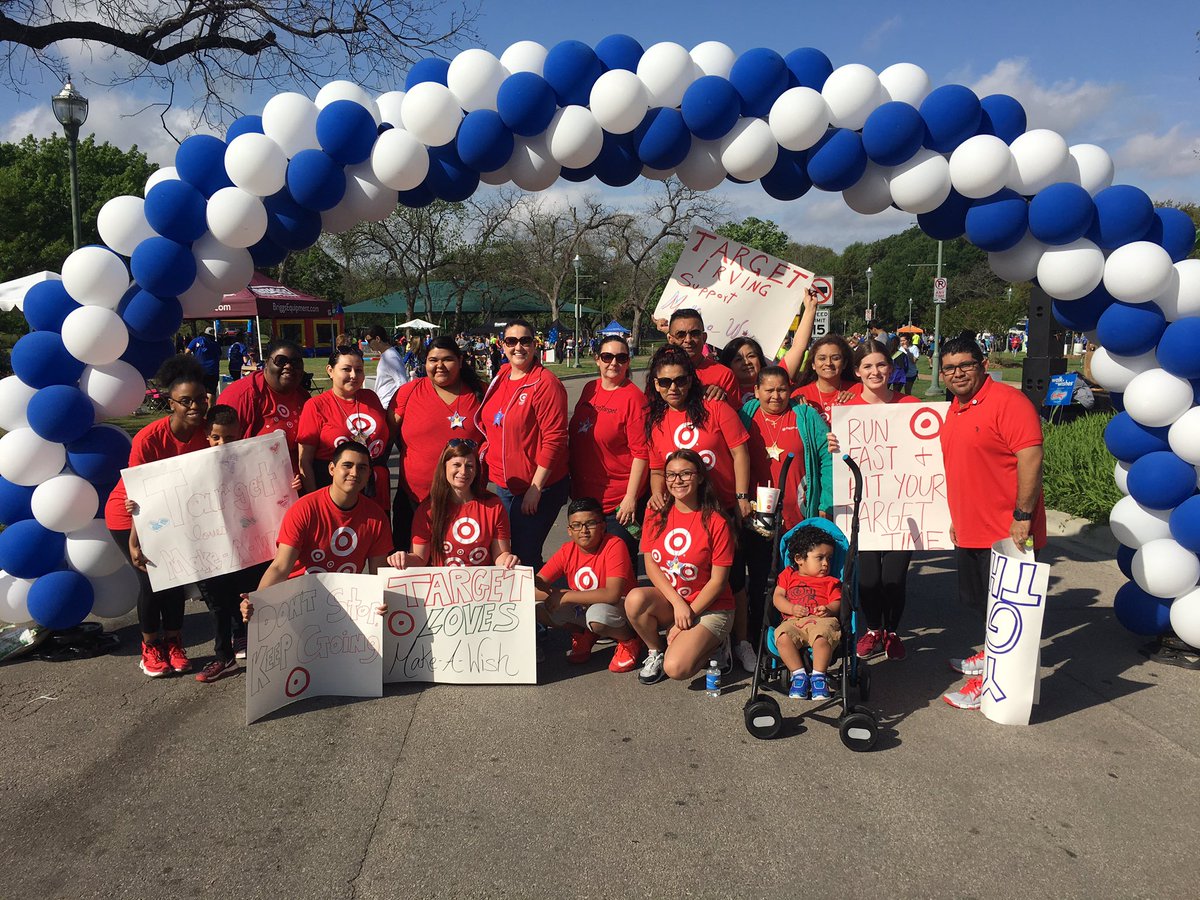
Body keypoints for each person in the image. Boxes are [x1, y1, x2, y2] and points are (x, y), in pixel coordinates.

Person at [937, 334, 1046, 710]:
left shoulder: (1008, 403)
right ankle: (989, 655)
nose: (957, 373)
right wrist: (958, 517)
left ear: (983, 365)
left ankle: (994, 683)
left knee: (1004, 611)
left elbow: (1031, 458)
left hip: (1006, 529)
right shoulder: (955, 406)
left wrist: (1023, 516)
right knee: (981, 603)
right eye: (949, 368)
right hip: (970, 527)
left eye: (965, 365)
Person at [105, 355, 211, 678]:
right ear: (170, 403)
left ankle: (174, 642)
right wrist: (136, 541)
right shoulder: (149, 438)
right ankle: (150, 647)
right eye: (185, 401)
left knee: (175, 578)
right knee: (152, 578)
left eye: (200, 399)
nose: (194, 407)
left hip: (174, 515)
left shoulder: (207, 433)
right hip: (130, 515)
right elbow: (138, 495)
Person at [192, 404, 301, 682]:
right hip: (212, 551)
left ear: (240, 435)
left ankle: (266, 651)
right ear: (207, 434)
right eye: (216, 437)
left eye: (229, 438)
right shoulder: (192, 467)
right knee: (217, 604)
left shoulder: (255, 460)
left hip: (253, 548)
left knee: (253, 596)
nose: (222, 443)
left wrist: (291, 484)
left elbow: (274, 490)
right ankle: (223, 657)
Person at [828, 340, 921, 662]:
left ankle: (892, 631)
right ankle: (873, 629)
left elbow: (926, 453)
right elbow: (837, 458)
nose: (875, 371)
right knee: (867, 579)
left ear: (891, 368)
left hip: (902, 504)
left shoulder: (911, 404)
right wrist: (833, 443)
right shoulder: (845, 407)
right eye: (867, 366)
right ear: (856, 371)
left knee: (894, 578)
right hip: (862, 508)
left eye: (881, 364)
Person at [239, 442, 392, 623]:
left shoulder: (376, 517)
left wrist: (380, 602)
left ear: (368, 475)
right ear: (332, 469)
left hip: (345, 604)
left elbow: (377, 575)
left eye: (362, 468)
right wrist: (256, 600)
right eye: (347, 465)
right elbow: (280, 567)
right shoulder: (304, 509)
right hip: (296, 602)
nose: (354, 473)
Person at [740, 364, 833, 659]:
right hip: (758, 518)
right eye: (769, 390)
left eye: (782, 389)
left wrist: (825, 504)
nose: (776, 396)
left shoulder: (805, 416)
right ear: (756, 391)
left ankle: (798, 638)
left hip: (799, 517)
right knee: (759, 580)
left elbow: (825, 458)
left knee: (797, 582)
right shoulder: (746, 415)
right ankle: (759, 637)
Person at [627, 449, 736, 685]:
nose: (677, 481)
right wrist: (678, 607)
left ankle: (717, 644)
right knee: (635, 599)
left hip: (710, 607)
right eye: (671, 475)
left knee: (676, 669)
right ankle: (656, 651)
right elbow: (650, 562)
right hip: (675, 603)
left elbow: (718, 582)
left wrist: (688, 614)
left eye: (685, 474)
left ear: (699, 477)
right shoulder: (655, 512)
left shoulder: (716, 521)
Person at [477, 319, 569, 571]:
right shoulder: (503, 374)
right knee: (506, 554)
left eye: (525, 341)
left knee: (523, 557)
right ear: (502, 345)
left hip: (537, 487)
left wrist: (536, 488)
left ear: (535, 344)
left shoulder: (545, 383)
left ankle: (541, 606)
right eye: (511, 341)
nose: (518, 347)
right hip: (504, 484)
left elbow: (555, 438)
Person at [389, 336, 485, 552]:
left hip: (464, 501)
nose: (439, 365)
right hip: (414, 499)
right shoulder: (409, 391)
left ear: (460, 361)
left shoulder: (482, 393)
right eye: (433, 360)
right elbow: (386, 436)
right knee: (409, 566)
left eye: (447, 359)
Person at [535, 497, 642, 672]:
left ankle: (629, 640)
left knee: (597, 615)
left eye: (590, 523)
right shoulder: (567, 550)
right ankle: (584, 634)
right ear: (569, 530)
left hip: (620, 609)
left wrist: (566, 595)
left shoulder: (614, 545)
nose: (583, 530)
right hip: (586, 608)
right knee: (539, 608)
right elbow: (537, 585)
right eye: (576, 525)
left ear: (602, 526)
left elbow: (612, 594)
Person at [568, 334, 648, 564]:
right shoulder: (589, 389)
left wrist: (631, 498)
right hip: (585, 498)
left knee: (619, 567)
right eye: (607, 356)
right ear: (597, 359)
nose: (614, 363)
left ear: (628, 361)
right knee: (590, 565)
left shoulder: (634, 399)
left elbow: (641, 454)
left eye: (621, 357)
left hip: (618, 503)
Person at [389, 439, 519, 569]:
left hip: (481, 585)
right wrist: (403, 559)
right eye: (456, 465)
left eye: (469, 466)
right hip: (441, 585)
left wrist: (508, 560)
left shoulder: (493, 506)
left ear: (476, 470)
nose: (463, 472)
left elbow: (500, 555)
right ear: (444, 467)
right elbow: (420, 559)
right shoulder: (428, 509)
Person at [297, 345, 390, 503]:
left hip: (375, 487)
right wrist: (316, 500)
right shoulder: (316, 405)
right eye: (346, 369)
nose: (354, 375)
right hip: (335, 490)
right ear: (330, 370)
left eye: (359, 370)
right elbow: (304, 460)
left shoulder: (370, 397)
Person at [771, 525, 843, 701]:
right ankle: (799, 675)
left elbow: (837, 602)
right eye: (820, 558)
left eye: (829, 558)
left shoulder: (830, 581)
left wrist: (829, 609)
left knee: (822, 639)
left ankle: (819, 677)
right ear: (799, 559)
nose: (826, 564)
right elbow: (777, 597)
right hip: (794, 620)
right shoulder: (788, 575)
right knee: (782, 637)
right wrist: (791, 608)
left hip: (822, 620)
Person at [219, 338, 309, 475]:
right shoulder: (240, 395)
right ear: (267, 363)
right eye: (281, 361)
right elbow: (221, 448)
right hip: (252, 481)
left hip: (296, 485)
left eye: (296, 362)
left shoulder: (304, 398)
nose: (289, 366)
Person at [718, 287, 822, 405]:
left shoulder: (777, 378)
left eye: (751, 356)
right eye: (738, 359)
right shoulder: (719, 391)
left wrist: (810, 308)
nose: (746, 362)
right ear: (728, 365)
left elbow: (798, 347)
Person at [661, 308, 739, 404]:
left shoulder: (724, 375)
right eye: (681, 335)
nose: (688, 340)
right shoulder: (660, 373)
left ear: (704, 337)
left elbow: (734, 415)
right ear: (670, 339)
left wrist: (722, 401)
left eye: (695, 334)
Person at [790, 334, 860, 424]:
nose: (828, 363)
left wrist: (858, 400)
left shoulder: (858, 390)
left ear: (844, 364)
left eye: (835, 358)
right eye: (822, 358)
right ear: (813, 364)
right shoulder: (799, 396)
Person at [364, 323, 409, 411]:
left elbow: (402, 383)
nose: (368, 345)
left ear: (377, 339)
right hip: (384, 405)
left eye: (369, 341)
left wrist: (397, 409)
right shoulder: (386, 355)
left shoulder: (391, 357)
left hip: (389, 406)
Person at [186, 326, 222, 400]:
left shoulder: (196, 340)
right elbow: (219, 355)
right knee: (211, 391)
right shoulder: (215, 344)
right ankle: (210, 408)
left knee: (198, 389)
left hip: (199, 369)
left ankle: (200, 406)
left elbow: (187, 352)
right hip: (212, 370)